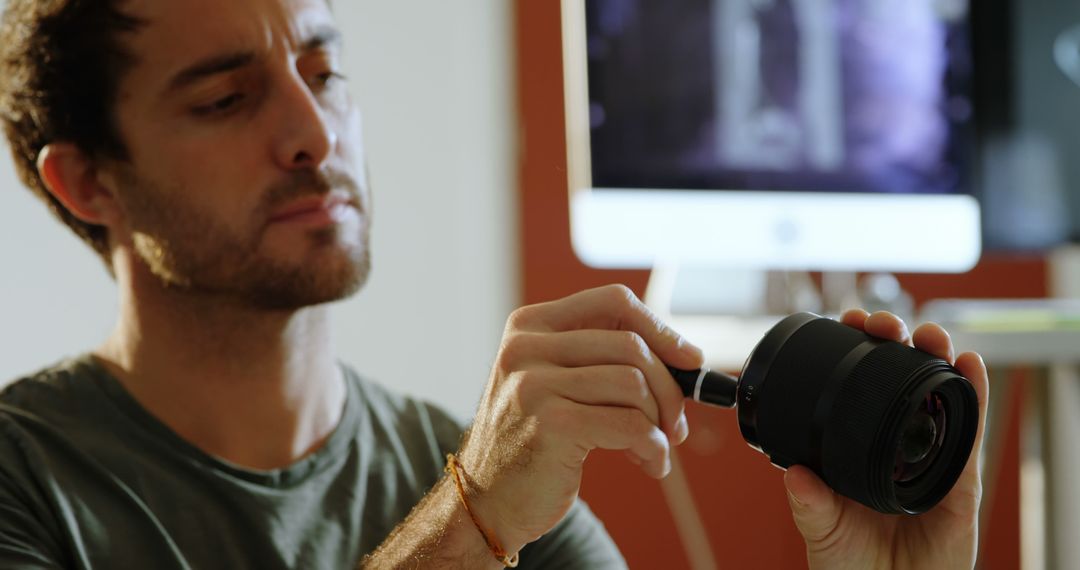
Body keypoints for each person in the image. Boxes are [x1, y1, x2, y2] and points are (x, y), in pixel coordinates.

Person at [0, 0, 989, 568]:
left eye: (323, 71)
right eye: (225, 97)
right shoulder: (28, 482)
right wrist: (472, 525)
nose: (312, 132)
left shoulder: (478, 470)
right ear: (88, 180)